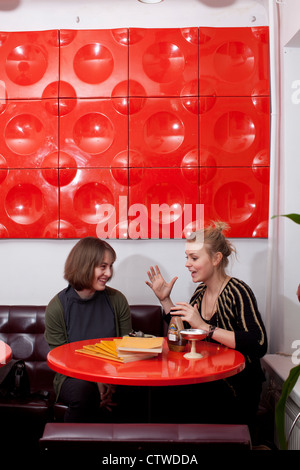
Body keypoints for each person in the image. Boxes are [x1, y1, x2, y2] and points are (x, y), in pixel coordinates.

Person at [146, 221, 267, 435]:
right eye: (187, 258)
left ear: (216, 259)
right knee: (158, 393)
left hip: (237, 385)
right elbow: (183, 334)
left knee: (175, 399)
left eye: (194, 258)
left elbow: (259, 343)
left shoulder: (237, 291)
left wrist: (206, 327)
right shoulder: (200, 292)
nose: (187, 264)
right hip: (209, 379)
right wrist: (165, 301)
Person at [44, 237, 133, 423]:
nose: (108, 273)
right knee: (84, 392)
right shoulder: (57, 307)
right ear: (84, 265)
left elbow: (128, 349)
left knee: (133, 389)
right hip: (71, 376)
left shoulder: (117, 300)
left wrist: (108, 379)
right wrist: (96, 380)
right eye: (102, 266)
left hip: (113, 372)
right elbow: (62, 360)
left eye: (110, 266)